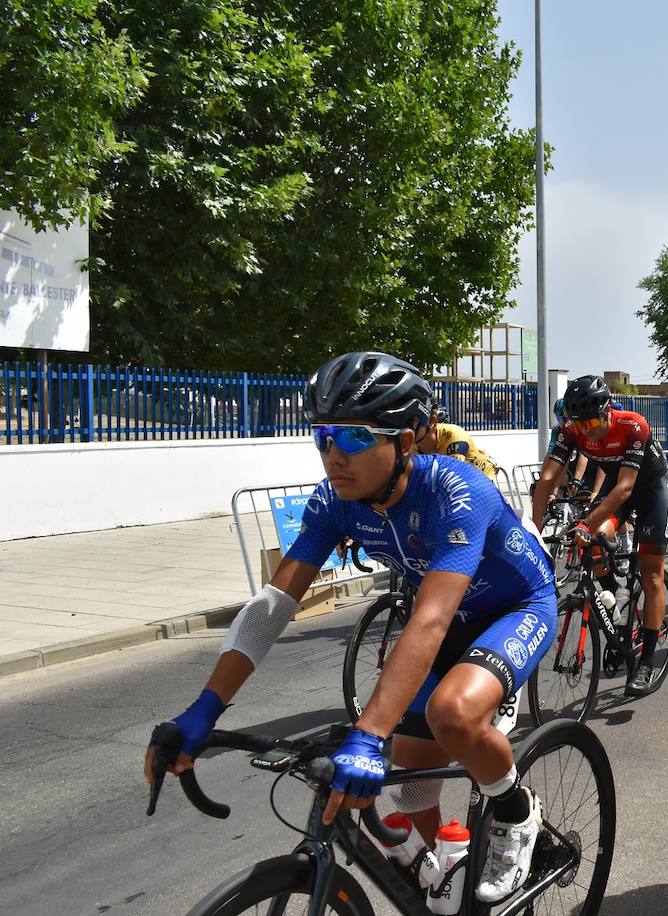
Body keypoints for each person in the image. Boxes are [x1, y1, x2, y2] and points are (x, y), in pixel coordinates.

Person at [144, 352, 557, 903]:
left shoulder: (458, 491)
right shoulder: (336, 501)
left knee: (451, 714)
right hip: (448, 614)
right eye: (323, 437)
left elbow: (430, 618)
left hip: (515, 608)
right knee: (411, 781)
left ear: (408, 439)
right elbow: (273, 605)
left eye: (355, 438)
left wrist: (368, 735)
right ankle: (443, 885)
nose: (333, 456)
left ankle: (515, 809)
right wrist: (203, 709)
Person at [530, 375, 668, 695]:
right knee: (591, 546)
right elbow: (547, 479)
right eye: (580, 424)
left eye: (593, 420)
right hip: (614, 491)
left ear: (607, 410)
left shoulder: (633, 426)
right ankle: (617, 605)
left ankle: (647, 661)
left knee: (651, 576)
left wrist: (585, 523)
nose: (587, 429)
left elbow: (625, 488)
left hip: (648, 492)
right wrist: (534, 532)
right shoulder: (573, 431)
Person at [415, 404, 500, 481]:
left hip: (483, 477)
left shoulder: (454, 434)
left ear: (432, 421)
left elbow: (455, 476)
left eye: (414, 421)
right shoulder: (413, 443)